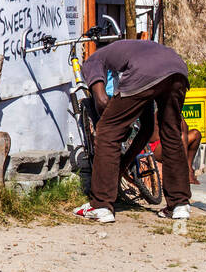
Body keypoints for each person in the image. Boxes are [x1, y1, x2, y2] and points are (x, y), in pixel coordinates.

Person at [75, 39, 193, 223]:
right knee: (171, 134)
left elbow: (101, 101)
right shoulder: (132, 52)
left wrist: (113, 124)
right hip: (178, 69)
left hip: (145, 71)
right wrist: (123, 164)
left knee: (107, 131)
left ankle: (100, 205)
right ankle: (179, 204)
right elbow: (146, 130)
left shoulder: (93, 60)